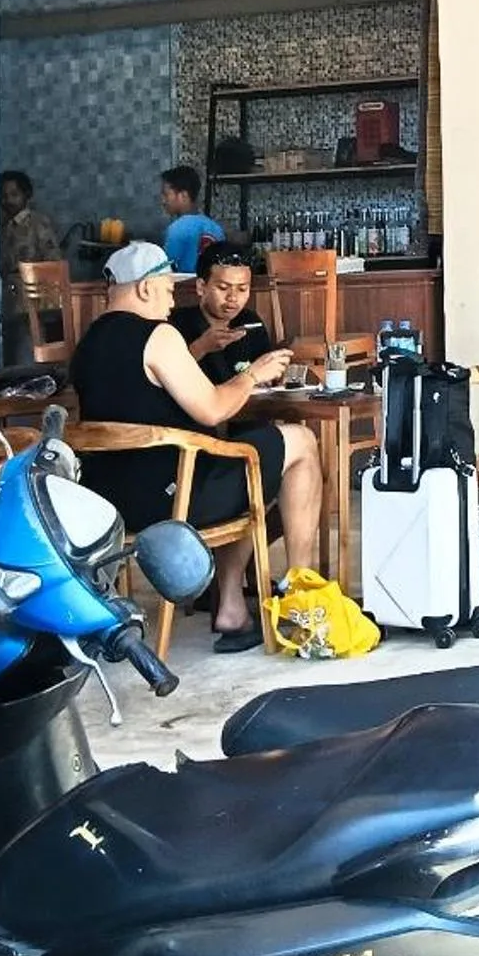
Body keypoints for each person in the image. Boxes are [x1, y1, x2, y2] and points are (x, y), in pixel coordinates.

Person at [69, 240, 319, 652]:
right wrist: (254, 375)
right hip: (176, 503)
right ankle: (300, 600)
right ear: (145, 288)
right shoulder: (158, 336)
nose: (171, 300)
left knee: (246, 463)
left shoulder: (88, 344)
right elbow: (213, 408)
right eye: (168, 287)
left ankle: (233, 608)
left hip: (112, 507)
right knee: (300, 443)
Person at [172, 243, 278, 384]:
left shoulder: (250, 321)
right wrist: (200, 347)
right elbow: (165, 378)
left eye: (242, 289)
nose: (232, 297)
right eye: (223, 288)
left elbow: (265, 373)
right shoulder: (176, 324)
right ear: (201, 287)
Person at [0, 168, 63, 369]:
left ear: (26, 196)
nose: (8, 200)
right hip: (7, 303)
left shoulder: (38, 224)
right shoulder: (0, 225)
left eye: (14, 195)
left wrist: (47, 307)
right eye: (4, 195)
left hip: (31, 306)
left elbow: (53, 264)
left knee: (25, 359)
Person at [158, 165, 225, 276]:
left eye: (166, 194)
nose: (163, 200)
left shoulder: (177, 229)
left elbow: (165, 269)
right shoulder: (215, 228)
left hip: (184, 288)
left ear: (183, 196)